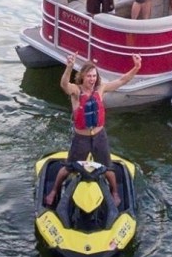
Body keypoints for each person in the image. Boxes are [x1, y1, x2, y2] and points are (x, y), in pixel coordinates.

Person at [45, 52, 142, 207]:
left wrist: (136, 67)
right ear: (82, 76)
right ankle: (54, 191)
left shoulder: (100, 89)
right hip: (81, 139)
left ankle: (114, 191)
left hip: (99, 137)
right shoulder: (76, 91)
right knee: (68, 168)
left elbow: (122, 81)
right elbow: (64, 84)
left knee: (108, 168)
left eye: (94, 76)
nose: (92, 79)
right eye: (89, 76)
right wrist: (69, 67)